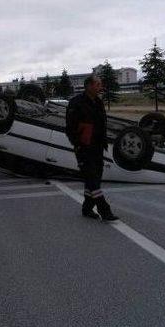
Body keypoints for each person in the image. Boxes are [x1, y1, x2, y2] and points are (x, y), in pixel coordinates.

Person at [65, 75, 119, 221]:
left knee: (95, 177)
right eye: (97, 84)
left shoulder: (98, 102)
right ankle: (104, 210)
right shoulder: (76, 103)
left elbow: (102, 124)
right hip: (84, 147)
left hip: (98, 146)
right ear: (88, 86)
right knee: (91, 178)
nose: (100, 87)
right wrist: (77, 144)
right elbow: (70, 127)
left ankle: (87, 208)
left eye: (100, 84)